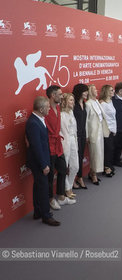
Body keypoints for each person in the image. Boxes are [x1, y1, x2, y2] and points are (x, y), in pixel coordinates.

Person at [26, 96, 60, 226]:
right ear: (41, 109)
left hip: (42, 159)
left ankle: (38, 211)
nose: (49, 110)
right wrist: (44, 164)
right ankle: (46, 215)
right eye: (47, 108)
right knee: (43, 188)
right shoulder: (33, 123)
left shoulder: (39, 119)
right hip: (39, 162)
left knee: (38, 186)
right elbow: (36, 147)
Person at [45, 85, 75, 209]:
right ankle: (50, 199)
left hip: (58, 145)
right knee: (50, 175)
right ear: (53, 95)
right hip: (49, 146)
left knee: (62, 169)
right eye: (60, 94)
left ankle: (61, 197)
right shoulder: (45, 109)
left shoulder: (57, 107)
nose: (62, 96)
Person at [86, 84, 110, 185]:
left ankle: (93, 172)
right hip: (93, 132)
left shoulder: (97, 101)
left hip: (100, 130)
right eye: (94, 89)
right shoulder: (88, 104)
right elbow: (86, 121)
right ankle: (93, 174)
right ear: (90, 91)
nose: (96, 90)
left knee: (99, 153)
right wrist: (87, 135)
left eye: (96, 88)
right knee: (94, 153)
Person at [60, 93, 79, 200]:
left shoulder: (71, 112)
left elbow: (74, 130)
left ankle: (69, 185)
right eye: (71, 100)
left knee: (75, 166)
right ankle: (67, 188)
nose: (73, 102)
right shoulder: (62, 115)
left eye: (73, 100)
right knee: (64, 167)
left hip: (73, 141)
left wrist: (75, 143)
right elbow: (63, 133)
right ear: (65, 102)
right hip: (65, 143)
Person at [72, 83, 89, 189]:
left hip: (83, 134)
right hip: (75, 135)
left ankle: (79, 177)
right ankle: (74, 178)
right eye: (85, 91)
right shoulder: (73, 105)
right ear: (79, 92)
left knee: (81, 156)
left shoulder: (85, 103)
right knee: (74, 158)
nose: (87, 93)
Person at [99, 84, 116, 177]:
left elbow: (113, 117)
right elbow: (103, 118)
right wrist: (109, 129)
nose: (113, 92)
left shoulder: (110, 101)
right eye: (110, 90)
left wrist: (114, 129)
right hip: (106, 130)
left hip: (112, 129)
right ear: (106, 92)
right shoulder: (102, 103)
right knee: (107, 149)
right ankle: (106, 168)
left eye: (112, 90)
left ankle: (109, 165)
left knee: (110, 149)